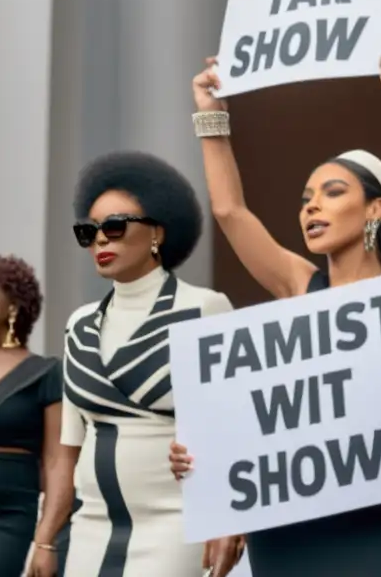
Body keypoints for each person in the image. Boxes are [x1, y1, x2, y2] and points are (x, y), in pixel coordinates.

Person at [169, 28, 381, 576]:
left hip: (380, 525)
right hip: (288, 530)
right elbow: (230, 213)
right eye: (306, 199)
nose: (311, 207)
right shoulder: (300, 284)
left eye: (333, 192)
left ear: (374, 209)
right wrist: (209, 114)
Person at [61, 151, 243, 576]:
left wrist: (229, 516)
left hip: (174, 519)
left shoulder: (205, 308)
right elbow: (70, 442)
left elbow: (236, 423)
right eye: (89, 232)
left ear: (158, 232)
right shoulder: (80, 324)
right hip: (90, 522)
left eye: (115, 226)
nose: (102, 240)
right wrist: (46, 535)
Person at [0, 256, 76, 577]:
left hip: (10, 516)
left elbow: (58, 461)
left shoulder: (46, 373)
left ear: (14, 303)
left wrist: (46, 541)